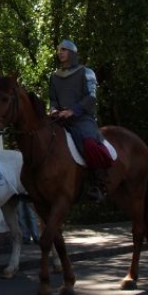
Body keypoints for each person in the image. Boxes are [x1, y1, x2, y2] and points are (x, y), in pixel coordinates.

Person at [49, 39, 112, 202]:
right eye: (59, 50)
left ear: (72, 53)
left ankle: (99, 183)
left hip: (83, 119)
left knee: (90, 144)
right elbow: (53, 100)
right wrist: (54, 110)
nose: (60, 52)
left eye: (64, 49)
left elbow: (91, 97)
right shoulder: (54, 77)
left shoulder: (87, 72)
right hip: (61, 120)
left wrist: (72, 111)